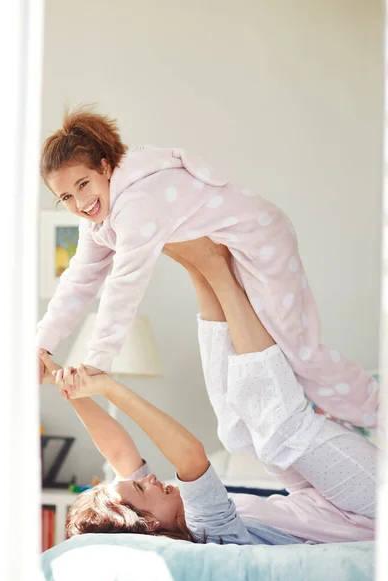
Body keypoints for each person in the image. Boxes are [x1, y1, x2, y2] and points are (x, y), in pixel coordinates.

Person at [37, 106, 378, 428]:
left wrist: (98, 361)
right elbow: (78, 281)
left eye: (83, 184)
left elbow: (124, 287)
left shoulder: (137, 204)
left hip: (262, 238)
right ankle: (334, 417)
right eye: (66, 197)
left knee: (298, 349)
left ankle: (375, 408)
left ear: (105, 168)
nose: (80, 203)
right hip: (229, 246)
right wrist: (41, 345)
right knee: (259, 348)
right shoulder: (99, 217)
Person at [42, 239, 376, 546]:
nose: (151, 478)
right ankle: (217, 269)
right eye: (143, 487)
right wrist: (109, 387)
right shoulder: (204, 528)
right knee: (282, 431)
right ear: (152, 526)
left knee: (236, 433)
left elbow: (119, 454)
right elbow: (190, 455)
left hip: (321, 502)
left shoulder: (167, 511)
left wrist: (63, 381)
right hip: (369, 514)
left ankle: (199, 269)